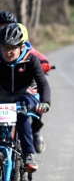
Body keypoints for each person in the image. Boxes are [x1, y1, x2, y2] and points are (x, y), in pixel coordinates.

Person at [0, 23, 51, 171]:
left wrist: (45, 103)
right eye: (4, 47)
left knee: (21, 113)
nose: (7, 52)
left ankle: (28, 154)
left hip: (25, 95)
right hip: (3, 95)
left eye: (12, 48)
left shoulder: (32, 60)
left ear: (22, 47)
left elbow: (43, 84)